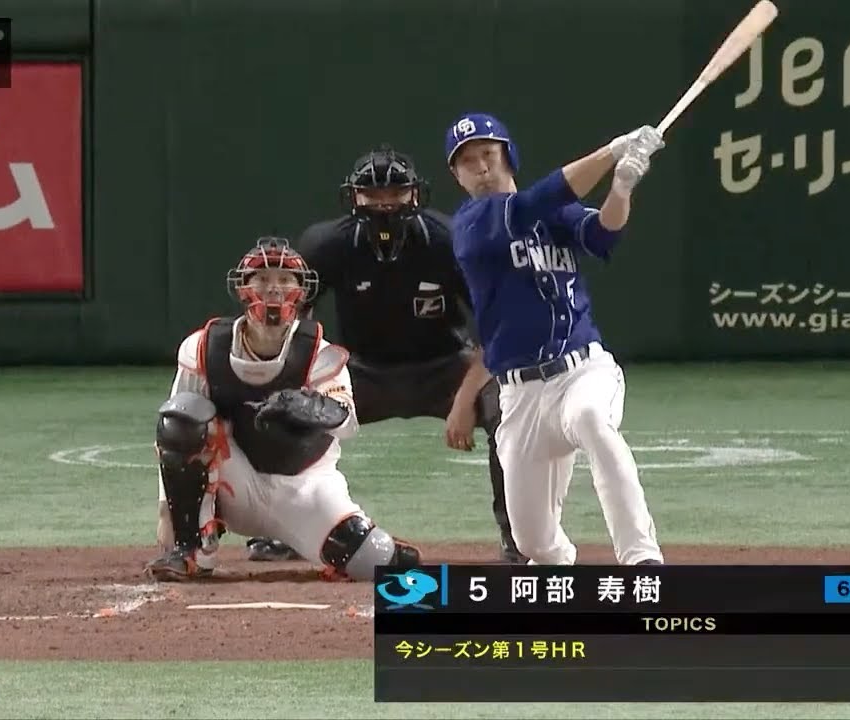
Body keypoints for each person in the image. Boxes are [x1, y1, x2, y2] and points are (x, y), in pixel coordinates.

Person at [240, 144, 527, 565]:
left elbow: (495, 329)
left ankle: (519, 535)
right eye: (373, 194)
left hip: (445, 369)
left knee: (508, 406)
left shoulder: (449, 240)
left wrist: (465, 401)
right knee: (281, 407)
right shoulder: (329, 244)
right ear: (353, 197)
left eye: (395, 192)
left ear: (415, 194)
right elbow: (293, 323)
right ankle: (290, 528)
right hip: (360, 373)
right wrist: (303, 382)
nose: (384, 203)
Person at [442, 111, 666, 566]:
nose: (481, 167)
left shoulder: (552, 214)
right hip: (520, 395)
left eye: (488, 153)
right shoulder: (470, 225)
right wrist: (611, 151)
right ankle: (562, 567)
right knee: (534, 544)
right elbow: (540, 200)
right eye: (467, 161)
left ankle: (641, 558)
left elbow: (603, 234)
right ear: (457, 176)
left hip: (581, 370)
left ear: (508, 156)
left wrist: (622, 186)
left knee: (592, 420)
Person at [144, 236, 422, 582]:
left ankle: (313, 539)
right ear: (243, 288)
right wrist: (165, 510)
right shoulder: (203, 347)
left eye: (285, 279)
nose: (273, 289)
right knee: (184, 416)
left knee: (377, 560)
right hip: (236, 481)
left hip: (304, 487)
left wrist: (306, 406)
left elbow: (346, 420)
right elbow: (174, 425)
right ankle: (191, 550)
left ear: (302, 292)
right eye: (262, 278)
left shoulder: (319, 352)